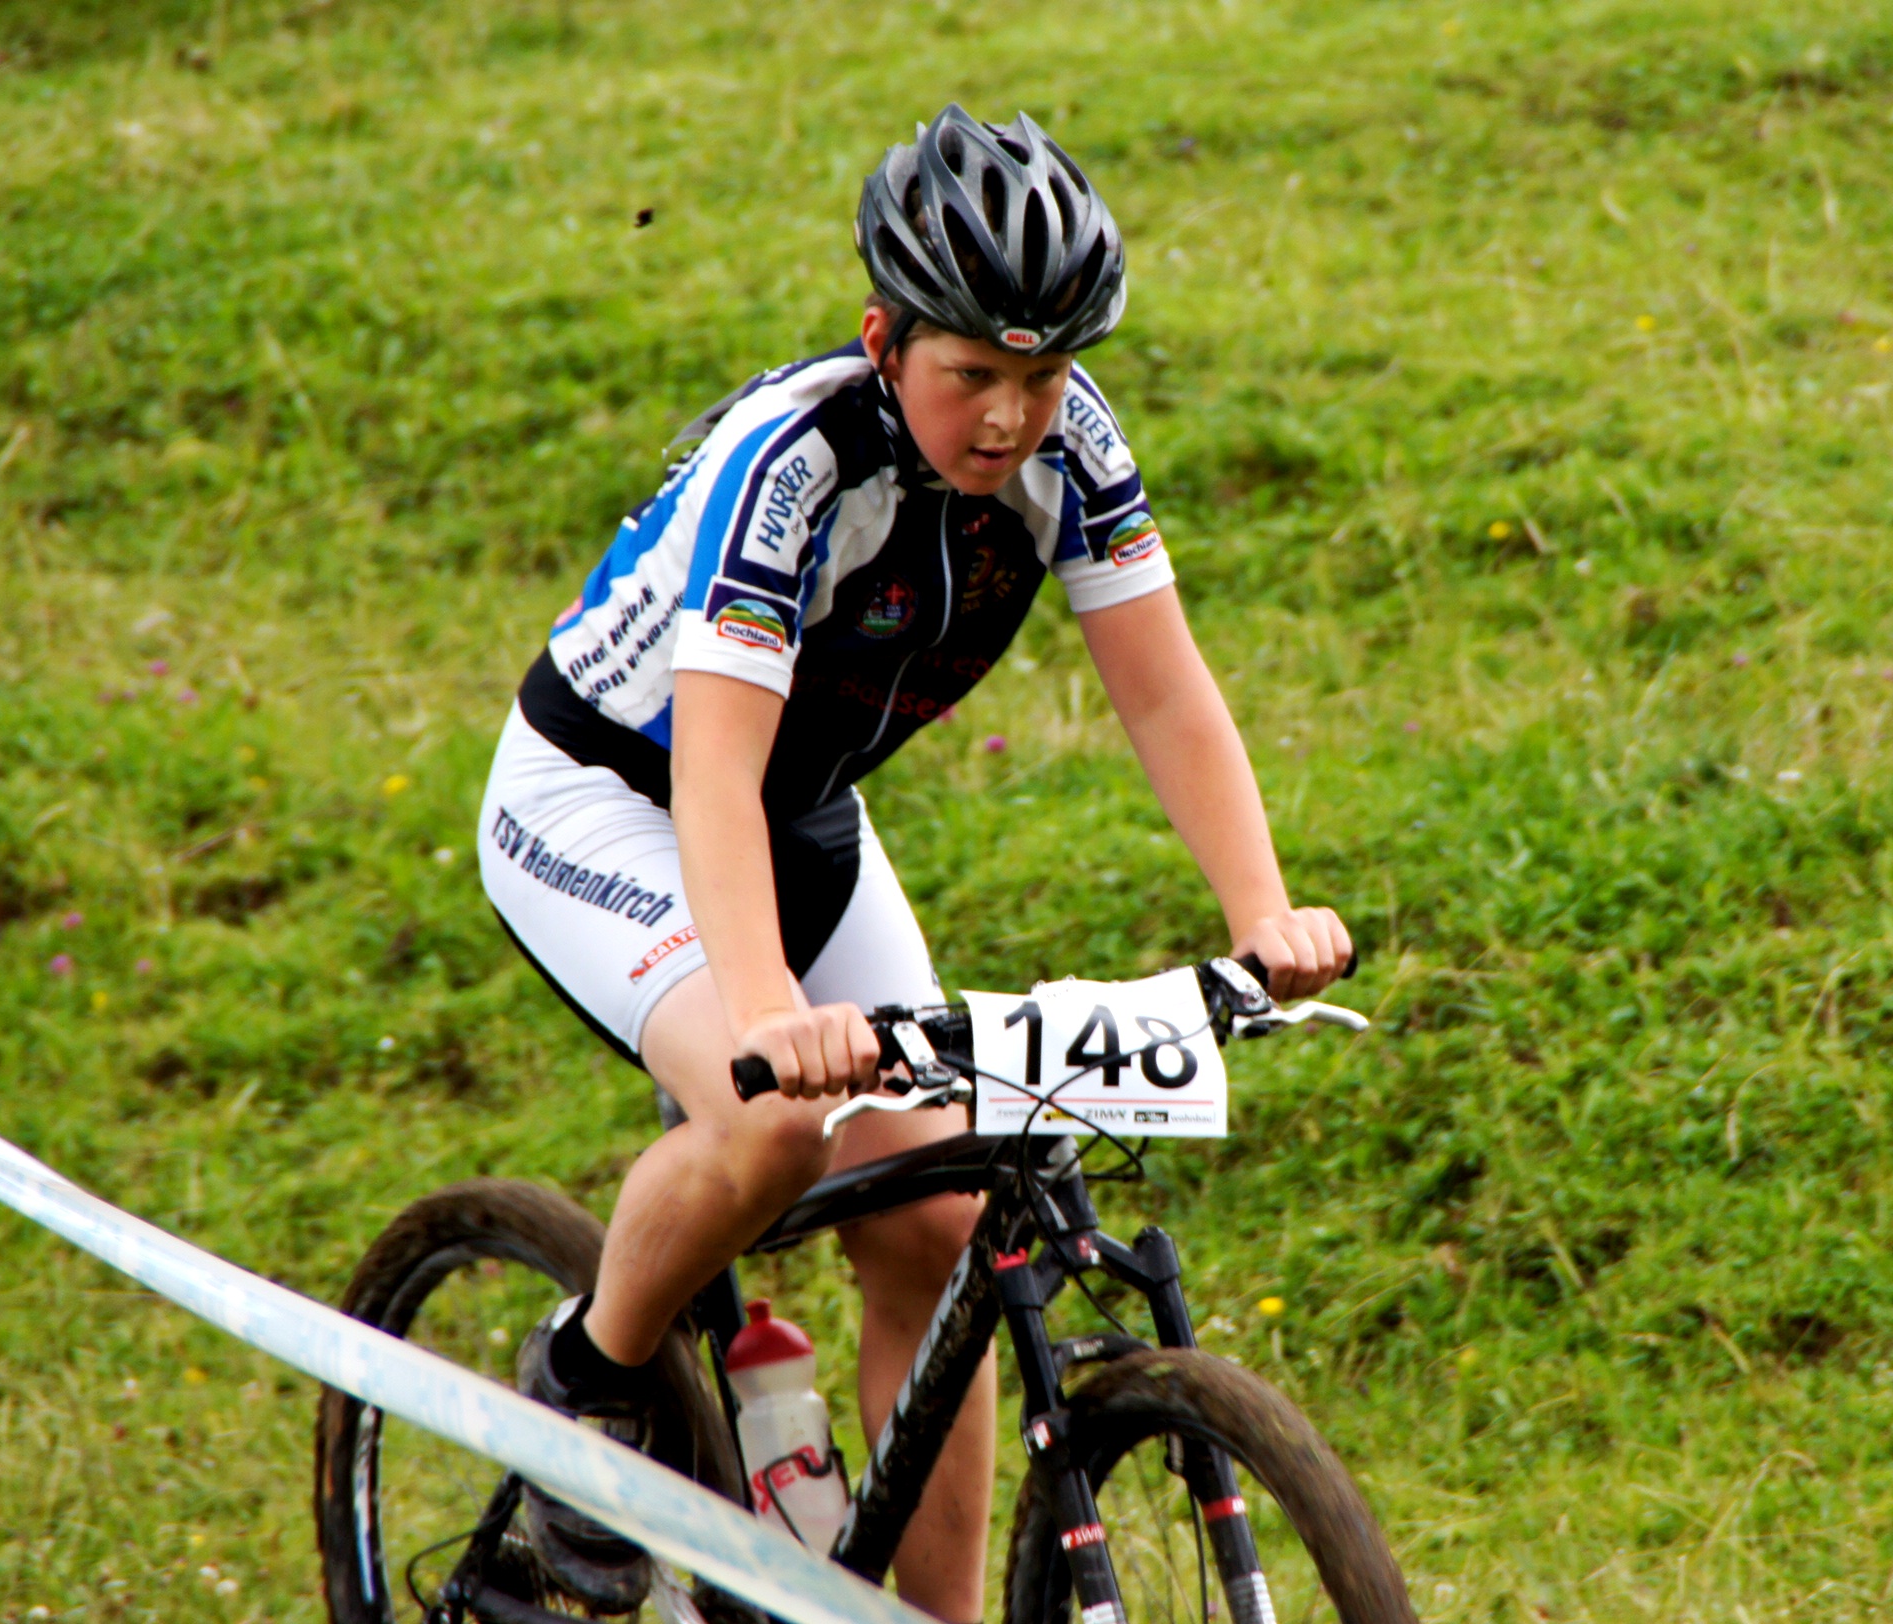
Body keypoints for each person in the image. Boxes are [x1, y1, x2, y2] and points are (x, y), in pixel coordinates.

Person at [474, 104, 1352, 1621]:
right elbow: (714, 772)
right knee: (770, 1124)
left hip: (801, 815)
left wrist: (1260, 912)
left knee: (940, 1225)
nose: (1011, 418)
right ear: (885, 340)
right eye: (973, 376)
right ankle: (583, 1378)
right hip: (606, 798)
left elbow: (1163, 693)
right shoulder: (792, 464)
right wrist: (767, 1013)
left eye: (1044, 376)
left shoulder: (1075, 447)